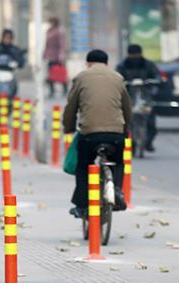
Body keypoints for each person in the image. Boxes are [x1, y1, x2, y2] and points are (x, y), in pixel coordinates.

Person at [63, 49, 132, 218]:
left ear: (87, 63)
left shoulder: (81, 78)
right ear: (107, 64)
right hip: (115, 134)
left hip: (89, 134)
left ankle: (81, 205)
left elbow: (71, 108)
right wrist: (125, 130)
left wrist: (69, 127)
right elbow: (127, 109)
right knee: (118, 162)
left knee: (83, 166)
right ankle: (116, 190)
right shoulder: (118, 78)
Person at [116, 43, 160, 152]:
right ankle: (130, 143)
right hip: (128, 97)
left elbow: (157, 75)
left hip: (145, 96)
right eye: (133, 55)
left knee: (150, 122)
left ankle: (148, 142)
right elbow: (117, 77)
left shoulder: (148, 64)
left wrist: (153, 81)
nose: (135, 57)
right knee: (125, 122)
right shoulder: (122, 65)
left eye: (137, 55)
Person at [44, 17, 67, 97]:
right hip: (50, 56)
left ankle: (65, 90)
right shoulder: (49, 31)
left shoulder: (59, 32)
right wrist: (44, 54)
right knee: (50, 75)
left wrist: (61, 56)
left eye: (52, 22)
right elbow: (46, 44)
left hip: (57, 56)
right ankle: (51, 91)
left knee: (61, 73)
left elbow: (62, 45)